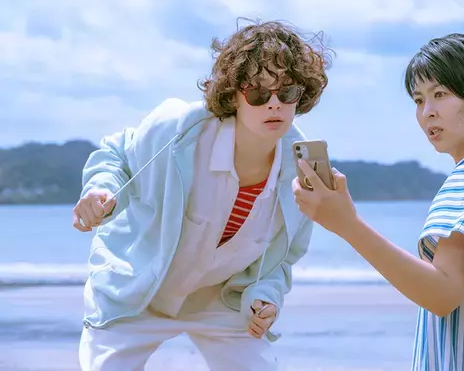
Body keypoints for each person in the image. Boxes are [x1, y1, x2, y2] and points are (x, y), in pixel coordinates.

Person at [72, 19, 332, 371]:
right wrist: (99, 189)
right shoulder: (179, 129)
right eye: (258, 93)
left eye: (287, 93)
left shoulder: (305, 171)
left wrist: (264, 299)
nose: (274, 104)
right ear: (234, 95)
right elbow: (117, 154)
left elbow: (280, 260)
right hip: (137, 292)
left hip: (221, 300)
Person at [292, 33, 464, 370]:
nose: (427, 112)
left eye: (440, 95)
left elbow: (442, 293)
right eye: (418, 100)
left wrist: (347, 224)